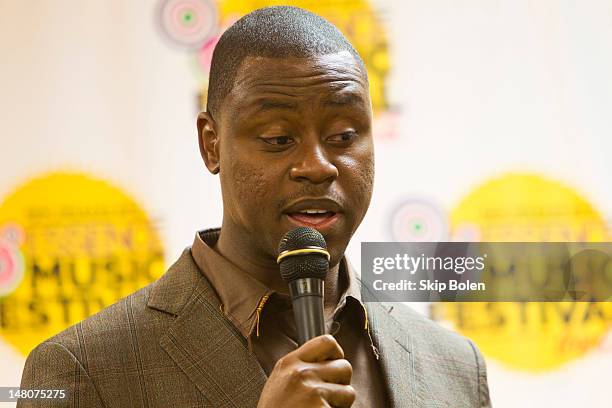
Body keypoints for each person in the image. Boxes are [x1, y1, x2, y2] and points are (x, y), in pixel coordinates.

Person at [19, 6, 491, 408]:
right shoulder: (83, 369)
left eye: (344, 137)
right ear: (211, 144)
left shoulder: (453, 366)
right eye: (277, 139)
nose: (316, 166)